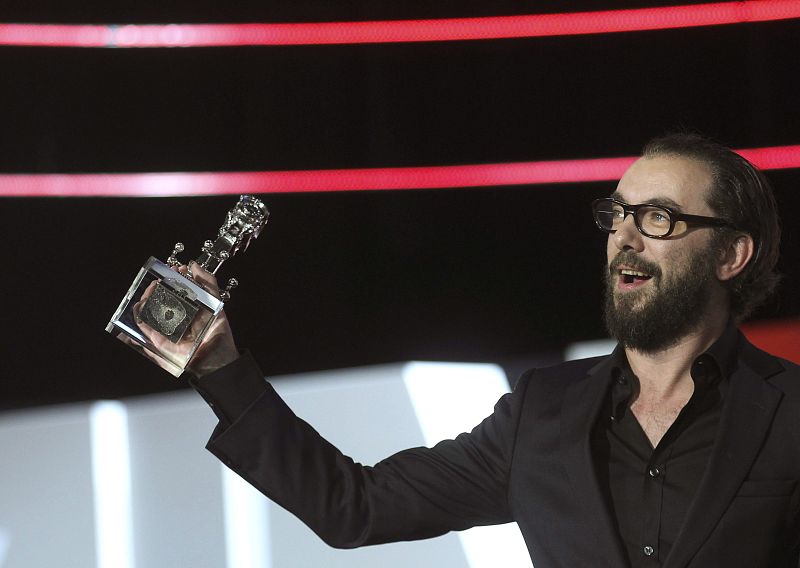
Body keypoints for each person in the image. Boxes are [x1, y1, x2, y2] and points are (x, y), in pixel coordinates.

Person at [184, 133, 800, 567]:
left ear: (730, 254)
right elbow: (354, 505)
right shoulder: (543, 412)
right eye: (617, 215)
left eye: (659, 218)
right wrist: (221, 368)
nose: (625, 238)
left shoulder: (789, 412)